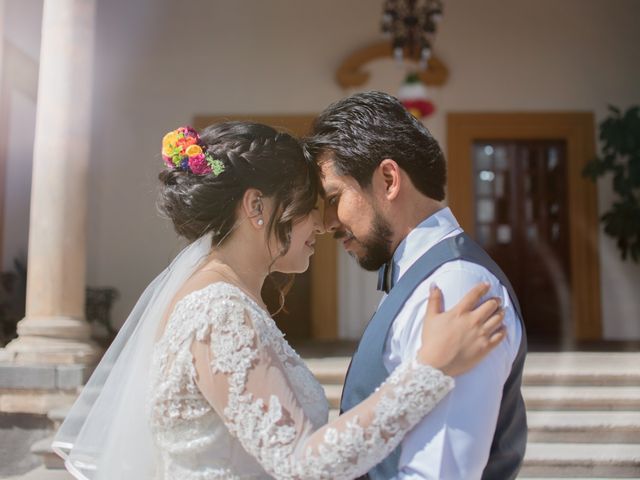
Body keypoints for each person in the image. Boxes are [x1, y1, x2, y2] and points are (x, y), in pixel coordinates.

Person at [53, 121, 506, 480]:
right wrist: (430, 369)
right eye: (312, 202)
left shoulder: (221, 298)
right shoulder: (218, 311)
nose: (323, 223)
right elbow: (303, 465)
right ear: (256, 208)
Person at [304, 91, 528, 480]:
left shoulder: (456, 287)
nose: (327, 224)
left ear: (388, 180)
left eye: (334, 198)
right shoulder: (423, 275)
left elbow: (439, 472)